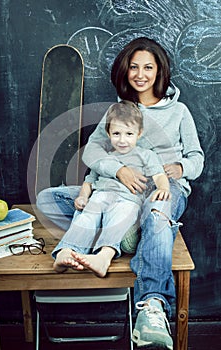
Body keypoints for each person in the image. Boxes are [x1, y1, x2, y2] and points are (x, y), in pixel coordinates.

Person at [36, 37, 204, 349]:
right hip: (116, 189)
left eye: (148, 67)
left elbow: (197, 158)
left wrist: (179, 168)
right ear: (125, 71)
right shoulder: (118, 111)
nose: (140, 74)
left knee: (157, 214)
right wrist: (119, 170)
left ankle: (152, 306)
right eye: (134, 67)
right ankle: (125, 232)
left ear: (160, 71)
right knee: (48, 198)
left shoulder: (179, 111)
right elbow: (92, 155)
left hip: (163, 189)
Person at [52, 100, 171, 278]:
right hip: (100, 196)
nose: (122, 140)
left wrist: (163, 188)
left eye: (129, 134)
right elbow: (89, 182)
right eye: (116, 133)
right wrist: (82, 197)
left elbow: (159, 175)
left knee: (118, 220)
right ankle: (66, 250)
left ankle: (103, 256)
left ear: (139, 134)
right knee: (86, 217)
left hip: (127, 201)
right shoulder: (104, 158)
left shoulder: (146, 155)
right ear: (108, 133)